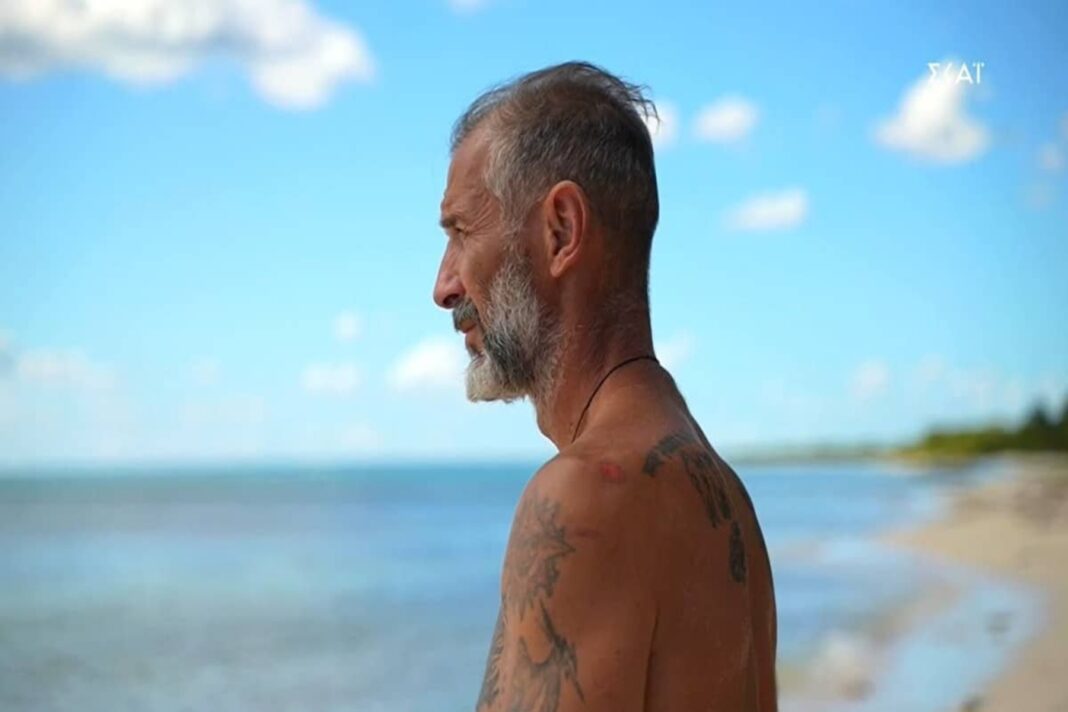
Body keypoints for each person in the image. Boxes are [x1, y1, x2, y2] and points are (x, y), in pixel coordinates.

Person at [433, 61, 777, 712]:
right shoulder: (725, 498)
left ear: (561, 231)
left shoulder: (585, 496)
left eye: (461, 233)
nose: (443, 286)